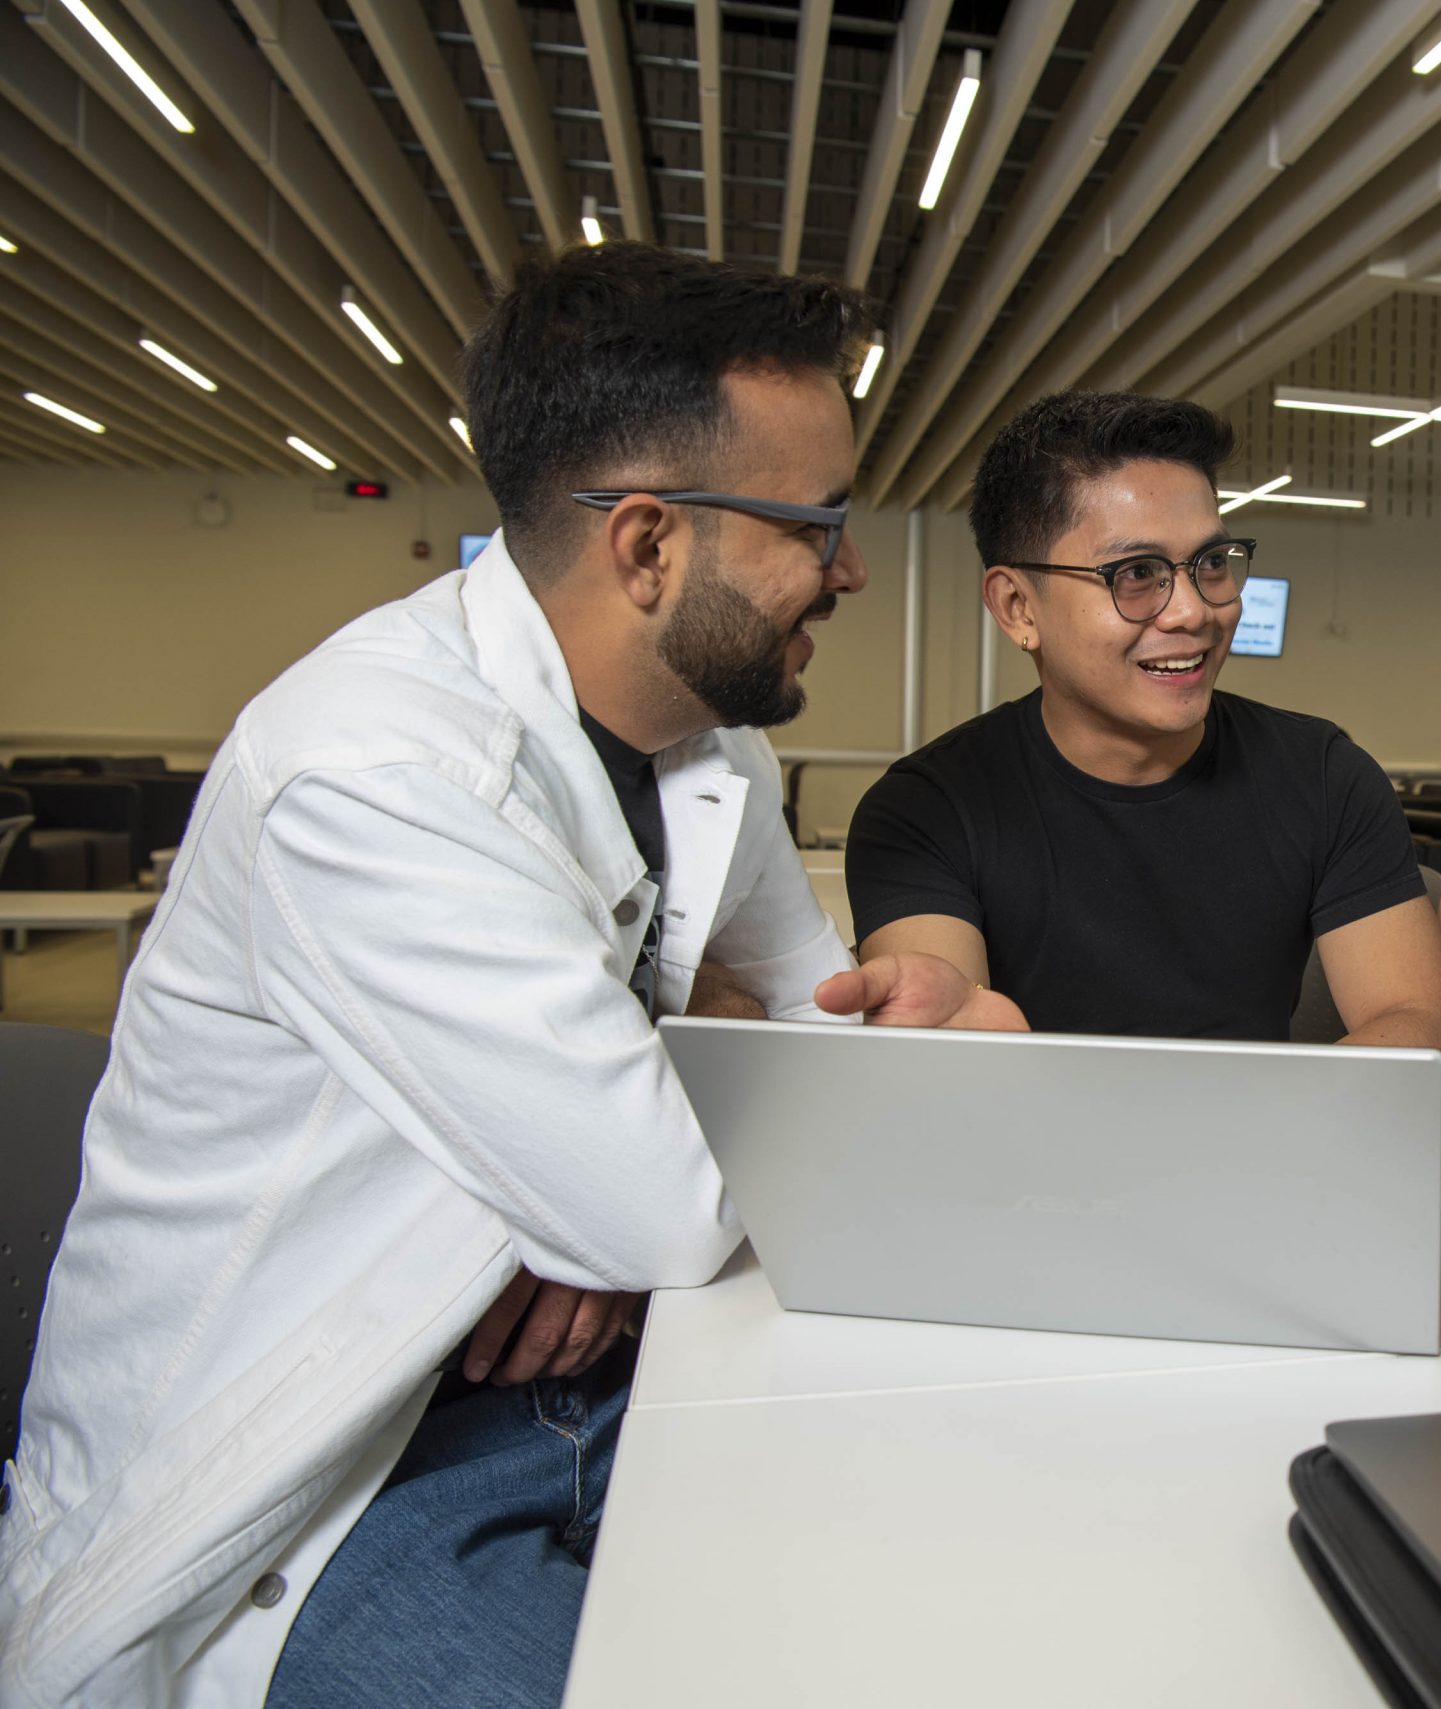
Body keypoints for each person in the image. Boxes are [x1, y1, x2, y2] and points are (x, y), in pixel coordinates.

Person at [0, 243, 1017, 1709]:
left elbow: (797, 1038)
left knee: (958, 1606)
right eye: (819, 524)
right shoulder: (372, 773)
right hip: (340, 1477)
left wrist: (610, 1164)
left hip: (604, 1384)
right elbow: (667, 1200)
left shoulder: (708, 746)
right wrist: (606, 1175)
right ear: (651, 544)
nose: (851, 568)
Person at [845, 391, 1441, 1110]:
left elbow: (1435, 1050)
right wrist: (957, 1062)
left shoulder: (1322, 774)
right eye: (1135, 573)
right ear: (1018, 608)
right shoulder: (925, 810)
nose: (1194, 611)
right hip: (1035, 1185)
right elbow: (951, 1076)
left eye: (1210, 562)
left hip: (1262, 1166)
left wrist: (1232, 1123)